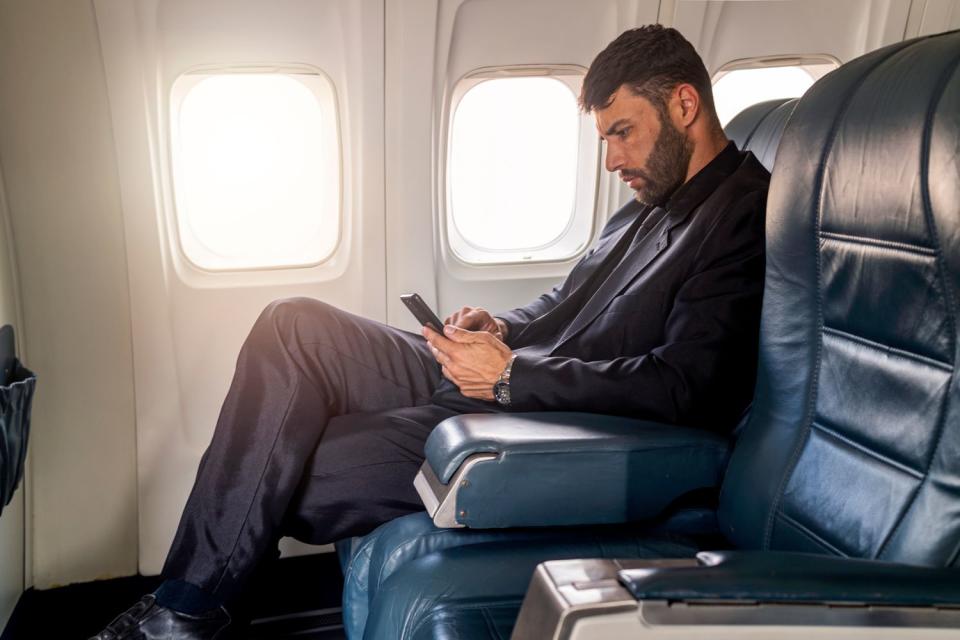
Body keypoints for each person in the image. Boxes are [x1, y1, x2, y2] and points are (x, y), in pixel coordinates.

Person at [90, 24, 770, 640]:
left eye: (622, 131)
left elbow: (688, 387)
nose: (612, 160)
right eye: (605, 140)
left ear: (685, 104)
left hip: (543, 416)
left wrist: (509, 378)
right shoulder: (646, 203)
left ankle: (184, 614)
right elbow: (569, 300)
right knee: (290, 324)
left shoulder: (740, 215)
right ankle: (182, 615)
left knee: (285, 465)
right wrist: (500, 327)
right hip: (501, 375)